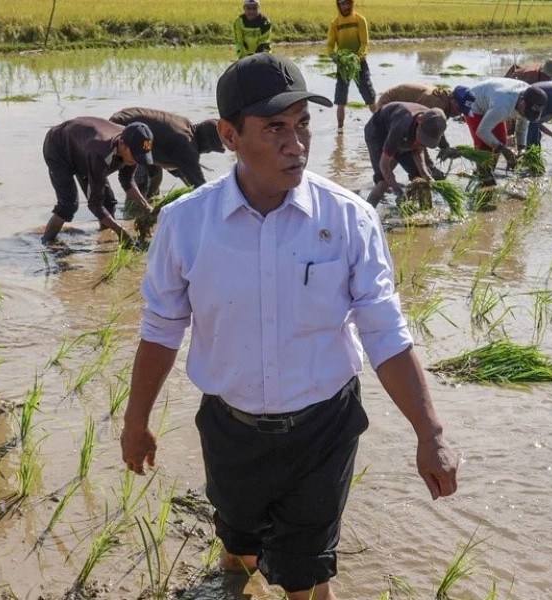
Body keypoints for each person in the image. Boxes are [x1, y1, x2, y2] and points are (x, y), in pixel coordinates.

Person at [120, 53, 459, 600]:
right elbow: (161, 329)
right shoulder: (185, 224)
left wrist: (430, 434)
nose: (296, 144)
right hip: (231, 428)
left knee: (307, 574)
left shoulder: (349, 218)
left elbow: (384, 331)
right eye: (275, 128)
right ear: (228, 135)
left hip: (324, 429)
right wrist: (135, 421)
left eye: (303, 124)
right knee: (238, 544)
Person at [40, 118, 155, 245]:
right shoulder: (100, 153)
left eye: (141, 156)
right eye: (135, 155)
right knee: (68, 205)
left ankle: (104, 239)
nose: (137, 160)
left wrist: (147, 207)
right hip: (58, 148)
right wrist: (121, 231)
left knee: (108, 203)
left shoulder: (133, 146)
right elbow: (95, 204)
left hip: (82, 149)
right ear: (122, 144)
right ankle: (47, 242)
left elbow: (127, 181)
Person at [108, 107, 225, 205]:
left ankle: (148, 205)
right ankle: (132, 213)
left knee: (155, 175)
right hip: (123, 129)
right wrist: (217, 205)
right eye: (209, 150)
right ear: (206, 144)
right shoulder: (186, 145)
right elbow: (199, 186)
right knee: (142, 179)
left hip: (129, 124)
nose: (207, 152)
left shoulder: (186, 127)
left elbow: (181, 171)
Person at [464, 78, 547, 184]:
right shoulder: (503, 105)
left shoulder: (532, 98)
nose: (525, 115)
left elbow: (522, 127)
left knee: (500, 140)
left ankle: (490, 172)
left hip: (493, 100)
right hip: (474, 104)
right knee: (484, 147)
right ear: (522, 101)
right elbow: (482, 131)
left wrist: (521, 148)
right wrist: (504, 150)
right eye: (526, 112)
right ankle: (484, 176)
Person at [364, 102, 448, 205]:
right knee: (383, 182)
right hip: (378, 133)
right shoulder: (401, 126)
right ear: (419, 120)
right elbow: (384, 165)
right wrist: (398, 191)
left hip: (404, 136)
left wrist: (424, 173)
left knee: (422, 179)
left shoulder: (435, 125)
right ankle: (366, 210)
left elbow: (418, 149)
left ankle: (425, 210)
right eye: (422, 138)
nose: (421, 143)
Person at [375, 82, 463, 178]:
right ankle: (383, 178)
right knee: (397, 148)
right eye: (459, 109)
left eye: (463, 111)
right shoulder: (436, 104)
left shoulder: (444, 102)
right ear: (453, 100)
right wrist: (430, 165)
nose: (460, 114)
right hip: (388, 106)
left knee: (402, 150)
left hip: (405, 113)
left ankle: (385, 177)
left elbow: (435, 130)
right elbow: (422, 137)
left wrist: (445, 147)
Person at [326, 0, 377, 130]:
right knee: (340, 99)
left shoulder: (359, 20)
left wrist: (357, 57)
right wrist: (333, 56)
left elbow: (364, 43)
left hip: (359, 63)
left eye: (348, 3)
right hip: (343, 64)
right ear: (338, 5)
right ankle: (340, 129)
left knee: (369, 95)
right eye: (342, 4)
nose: (346, 6)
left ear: (352, 3)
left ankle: (381, 123)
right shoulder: (335, 23)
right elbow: (330, 45)